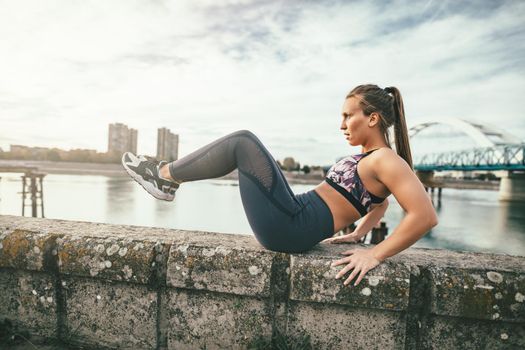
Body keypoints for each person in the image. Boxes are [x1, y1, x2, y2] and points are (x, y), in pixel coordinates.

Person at [121, 84, 438, 286]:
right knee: (244, 144)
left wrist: (375, 255)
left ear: (372, 119)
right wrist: (357, 233)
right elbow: (379, 201)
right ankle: (166, 177)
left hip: (291, 227)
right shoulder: (372, 158)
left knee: (243, 142)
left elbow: (424, 216)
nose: (341, 125)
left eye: (347, 116)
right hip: (294, 216)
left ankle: (165, 176)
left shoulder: (385, 159)